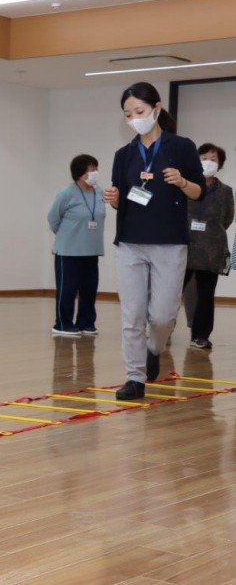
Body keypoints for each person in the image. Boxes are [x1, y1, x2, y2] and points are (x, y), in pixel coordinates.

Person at [103, 82, 205, 401]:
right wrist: (114, 198)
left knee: (162, 316)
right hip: (130, 242)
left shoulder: (182, 146)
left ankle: (153, 347)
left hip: (170, 243)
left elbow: (199, 191)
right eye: (128, 114)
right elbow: (122, 198)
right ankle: (135, 378)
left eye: (140, 111)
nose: (134, 118)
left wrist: (182, 181)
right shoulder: (124, 155)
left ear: (157, 109)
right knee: (132, 314)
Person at [47, 154, 106, 337]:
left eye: (96, 168)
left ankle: (86, 323)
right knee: (68, 289)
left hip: (91, 250)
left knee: (89, 289)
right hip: (68, 251)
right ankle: (62, 324)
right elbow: (53, 219)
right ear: (80, 174)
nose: (95, 173)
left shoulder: (99, 192)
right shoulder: (67, 193)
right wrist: (66, 236)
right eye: (91, 170)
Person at [182, 143, 233, 349]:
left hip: (211, 249)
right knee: (170, 292)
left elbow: (227, 218)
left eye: (213, 159)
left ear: (219, 164)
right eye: (204, 157)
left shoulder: (226, 191)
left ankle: (200, 335)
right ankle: (162, 332)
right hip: (184, 246)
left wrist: (211, 231)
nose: (208, 162)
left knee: (205, 295)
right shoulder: (184, 185)